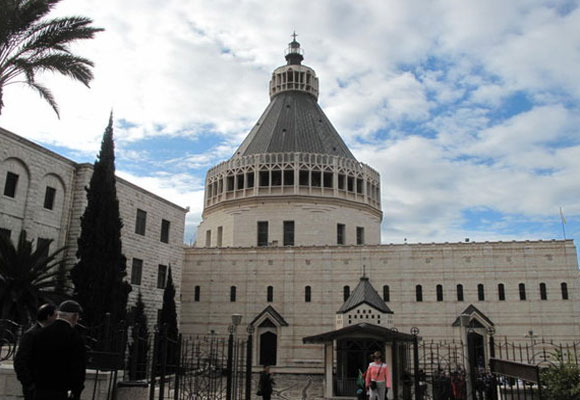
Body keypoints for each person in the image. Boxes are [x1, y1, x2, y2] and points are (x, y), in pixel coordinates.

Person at [31, 300, 86, 400]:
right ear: (74, 316)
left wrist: (30, 384)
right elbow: (78, 367)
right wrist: (76, 390)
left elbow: (30, 359)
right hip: (61, 390)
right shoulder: (74, 337)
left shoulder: (40, 333)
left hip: (40, 389)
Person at [14, 303, 57, 400]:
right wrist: (29, 383)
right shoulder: (31, 335)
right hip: (34, 387)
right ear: (48, 317)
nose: (56, 318)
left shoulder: (48, 333)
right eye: (55, 315)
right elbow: (20, 361)